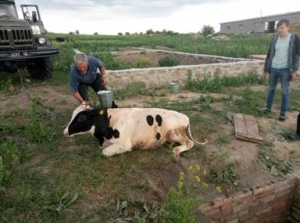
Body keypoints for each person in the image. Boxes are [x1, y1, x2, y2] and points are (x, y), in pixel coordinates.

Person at [262, 19, 300, 121]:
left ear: (288, 27)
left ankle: (283, 113)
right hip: (273, 68)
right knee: (271, 89)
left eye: (282, 28)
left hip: (285, 70)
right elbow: (269, 55)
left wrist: (294, 71)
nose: (279, 30)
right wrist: (265, 70)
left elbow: (296, 55)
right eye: (278, 28)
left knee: (285, 91)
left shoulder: (294, 38)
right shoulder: (274, 40)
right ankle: (268, 108)